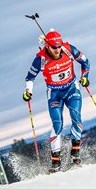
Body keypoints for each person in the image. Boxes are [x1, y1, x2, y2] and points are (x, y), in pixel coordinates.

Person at [23, 29, 90, 171]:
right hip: (54, 93)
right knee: (57, 124)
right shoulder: (40, 59)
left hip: (72, 88)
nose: (57, 50)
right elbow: (30, 77)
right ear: (47, 46)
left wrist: (85, 77)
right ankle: (55, 163)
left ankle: (75, 154)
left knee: (76, 117)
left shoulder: (68, 49)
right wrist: (28, 91)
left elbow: (85, 62)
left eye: (59, 46)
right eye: (54, 47)